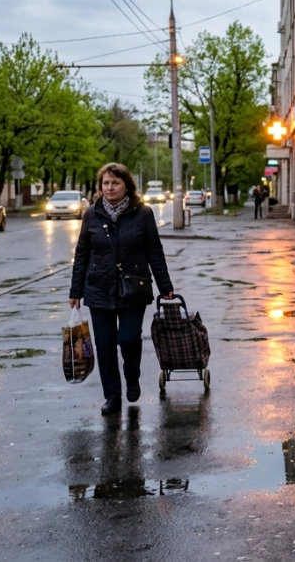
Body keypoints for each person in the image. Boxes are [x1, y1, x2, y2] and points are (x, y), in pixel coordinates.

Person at [69, 163, 175, 416]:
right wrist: (76, 291)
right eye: (105, 183)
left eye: (115, 183)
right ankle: (112, 396)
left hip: (133, 289)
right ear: (100, 187)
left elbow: (154, 251)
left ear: (127, 185)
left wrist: (165, 286)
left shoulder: (143, 213)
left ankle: (132, 376)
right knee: (105, 347)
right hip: (98, 289)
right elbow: (82, 254)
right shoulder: (92, 215)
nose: (110, 187)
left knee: (128, 339)